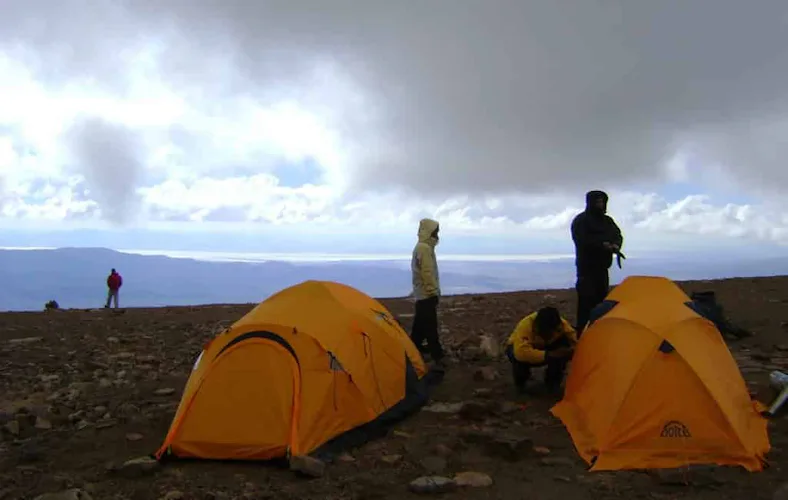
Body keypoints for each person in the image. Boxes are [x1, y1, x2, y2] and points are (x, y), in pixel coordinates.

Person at [570, 190, 623, 335]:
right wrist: (602, 245)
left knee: (601, 303)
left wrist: (616, 245)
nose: (600, 205)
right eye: (597, 202)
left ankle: (599, 334)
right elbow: (582, 240)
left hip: (602, 269)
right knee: (586, 304)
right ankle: (583, 336)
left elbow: (617, 235)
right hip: (586, 270)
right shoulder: (581, 221)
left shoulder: (607, 221)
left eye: (602, 202)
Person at [504, 306, 577, 394]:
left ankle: (552, 383)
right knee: (518, 360)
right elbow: (520, 352)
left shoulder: (562, 325)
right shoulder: (526, 325)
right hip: (521, 348)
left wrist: (569, 351)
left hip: (546, 348)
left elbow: (575, 341)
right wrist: (549, 355)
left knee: (564, 346)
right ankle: (521, 384)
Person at [409, 218, 445, 371]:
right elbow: (427, 272)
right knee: (430, 326)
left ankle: (412, 349)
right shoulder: (424, 248)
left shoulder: (422, 247)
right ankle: (437, 356)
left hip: (422, 294)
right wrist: (433, 292)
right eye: (435, 231)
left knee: (420, 325)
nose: (437, 234)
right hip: (426, 294)